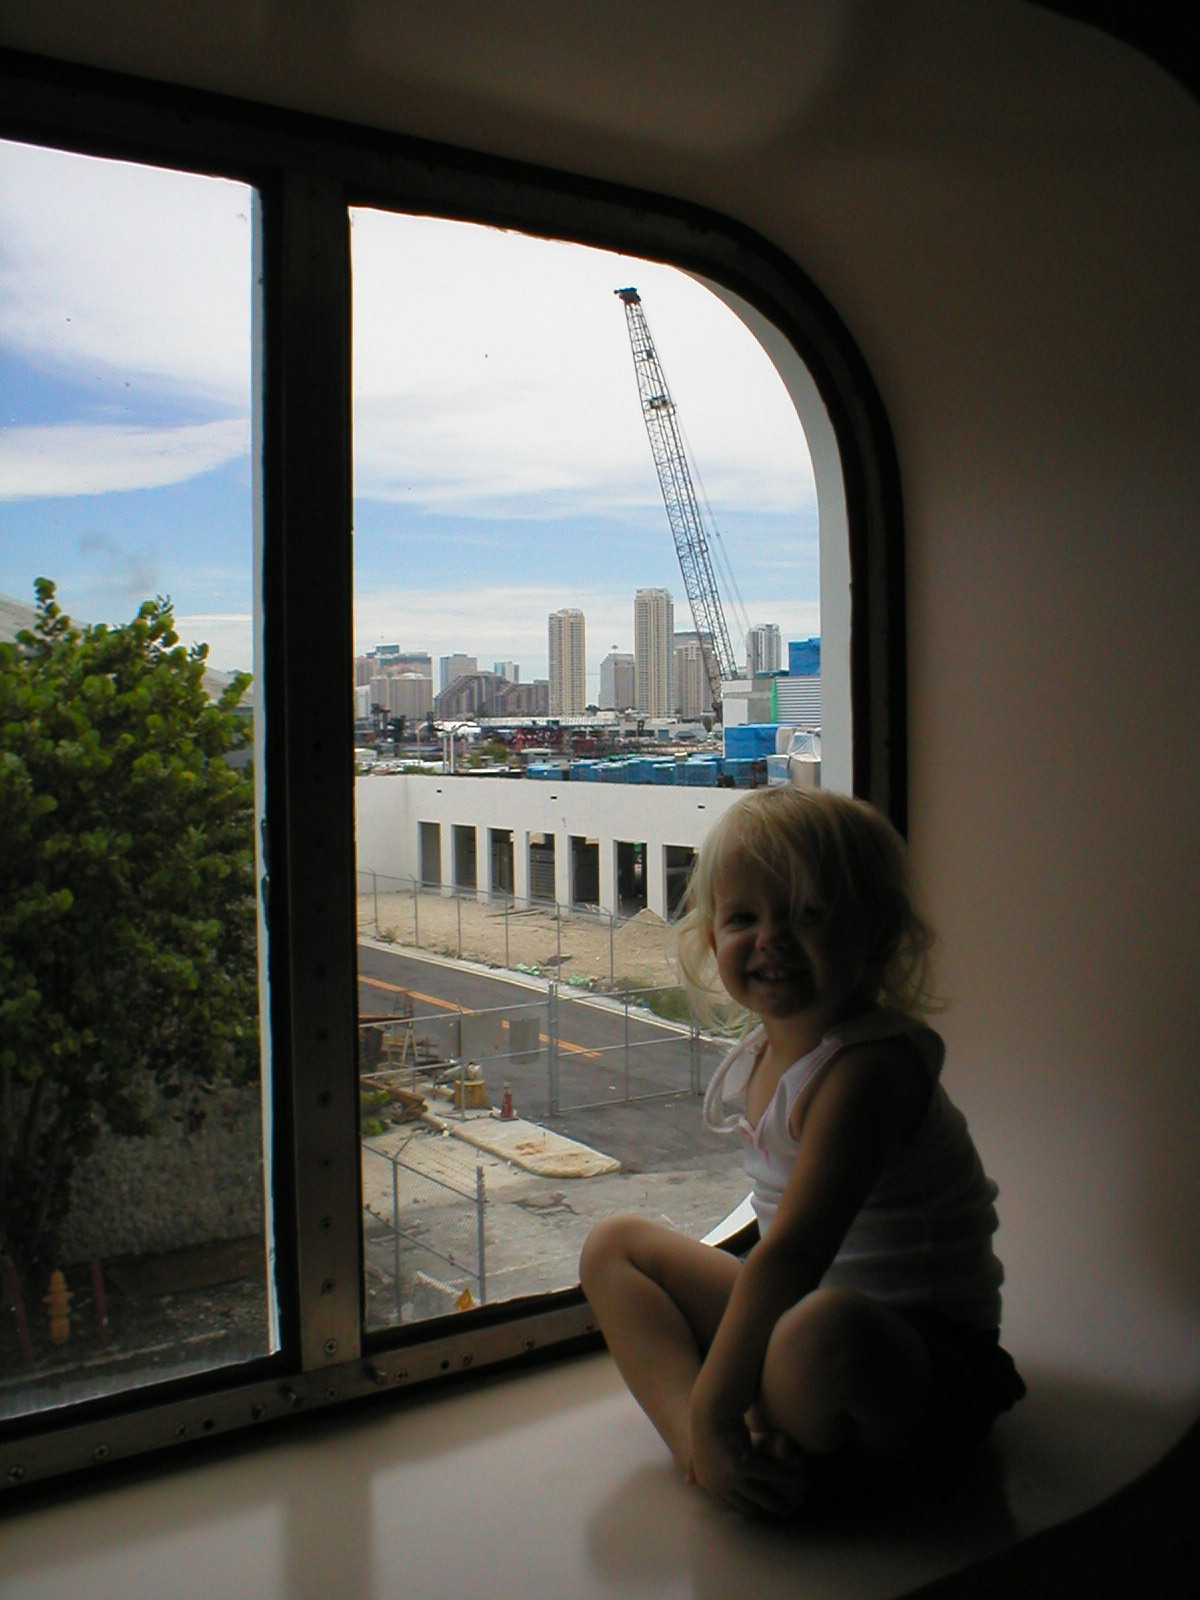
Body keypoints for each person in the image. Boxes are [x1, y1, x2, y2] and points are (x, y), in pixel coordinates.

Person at [579, 787, 1024, 1518]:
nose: (772, 940)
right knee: (613, 1248)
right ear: (710, 937)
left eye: (809, 915)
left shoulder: (868, 1071)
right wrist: (716, 1412)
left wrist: (724, 1398)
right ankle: (705, 1453)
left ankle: (733, 1434)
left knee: (824, 1331)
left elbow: (791, 1254)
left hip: (918, 1364)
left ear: (876, 937)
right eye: (744, 918)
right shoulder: (767, 1051)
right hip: (807, 1322)